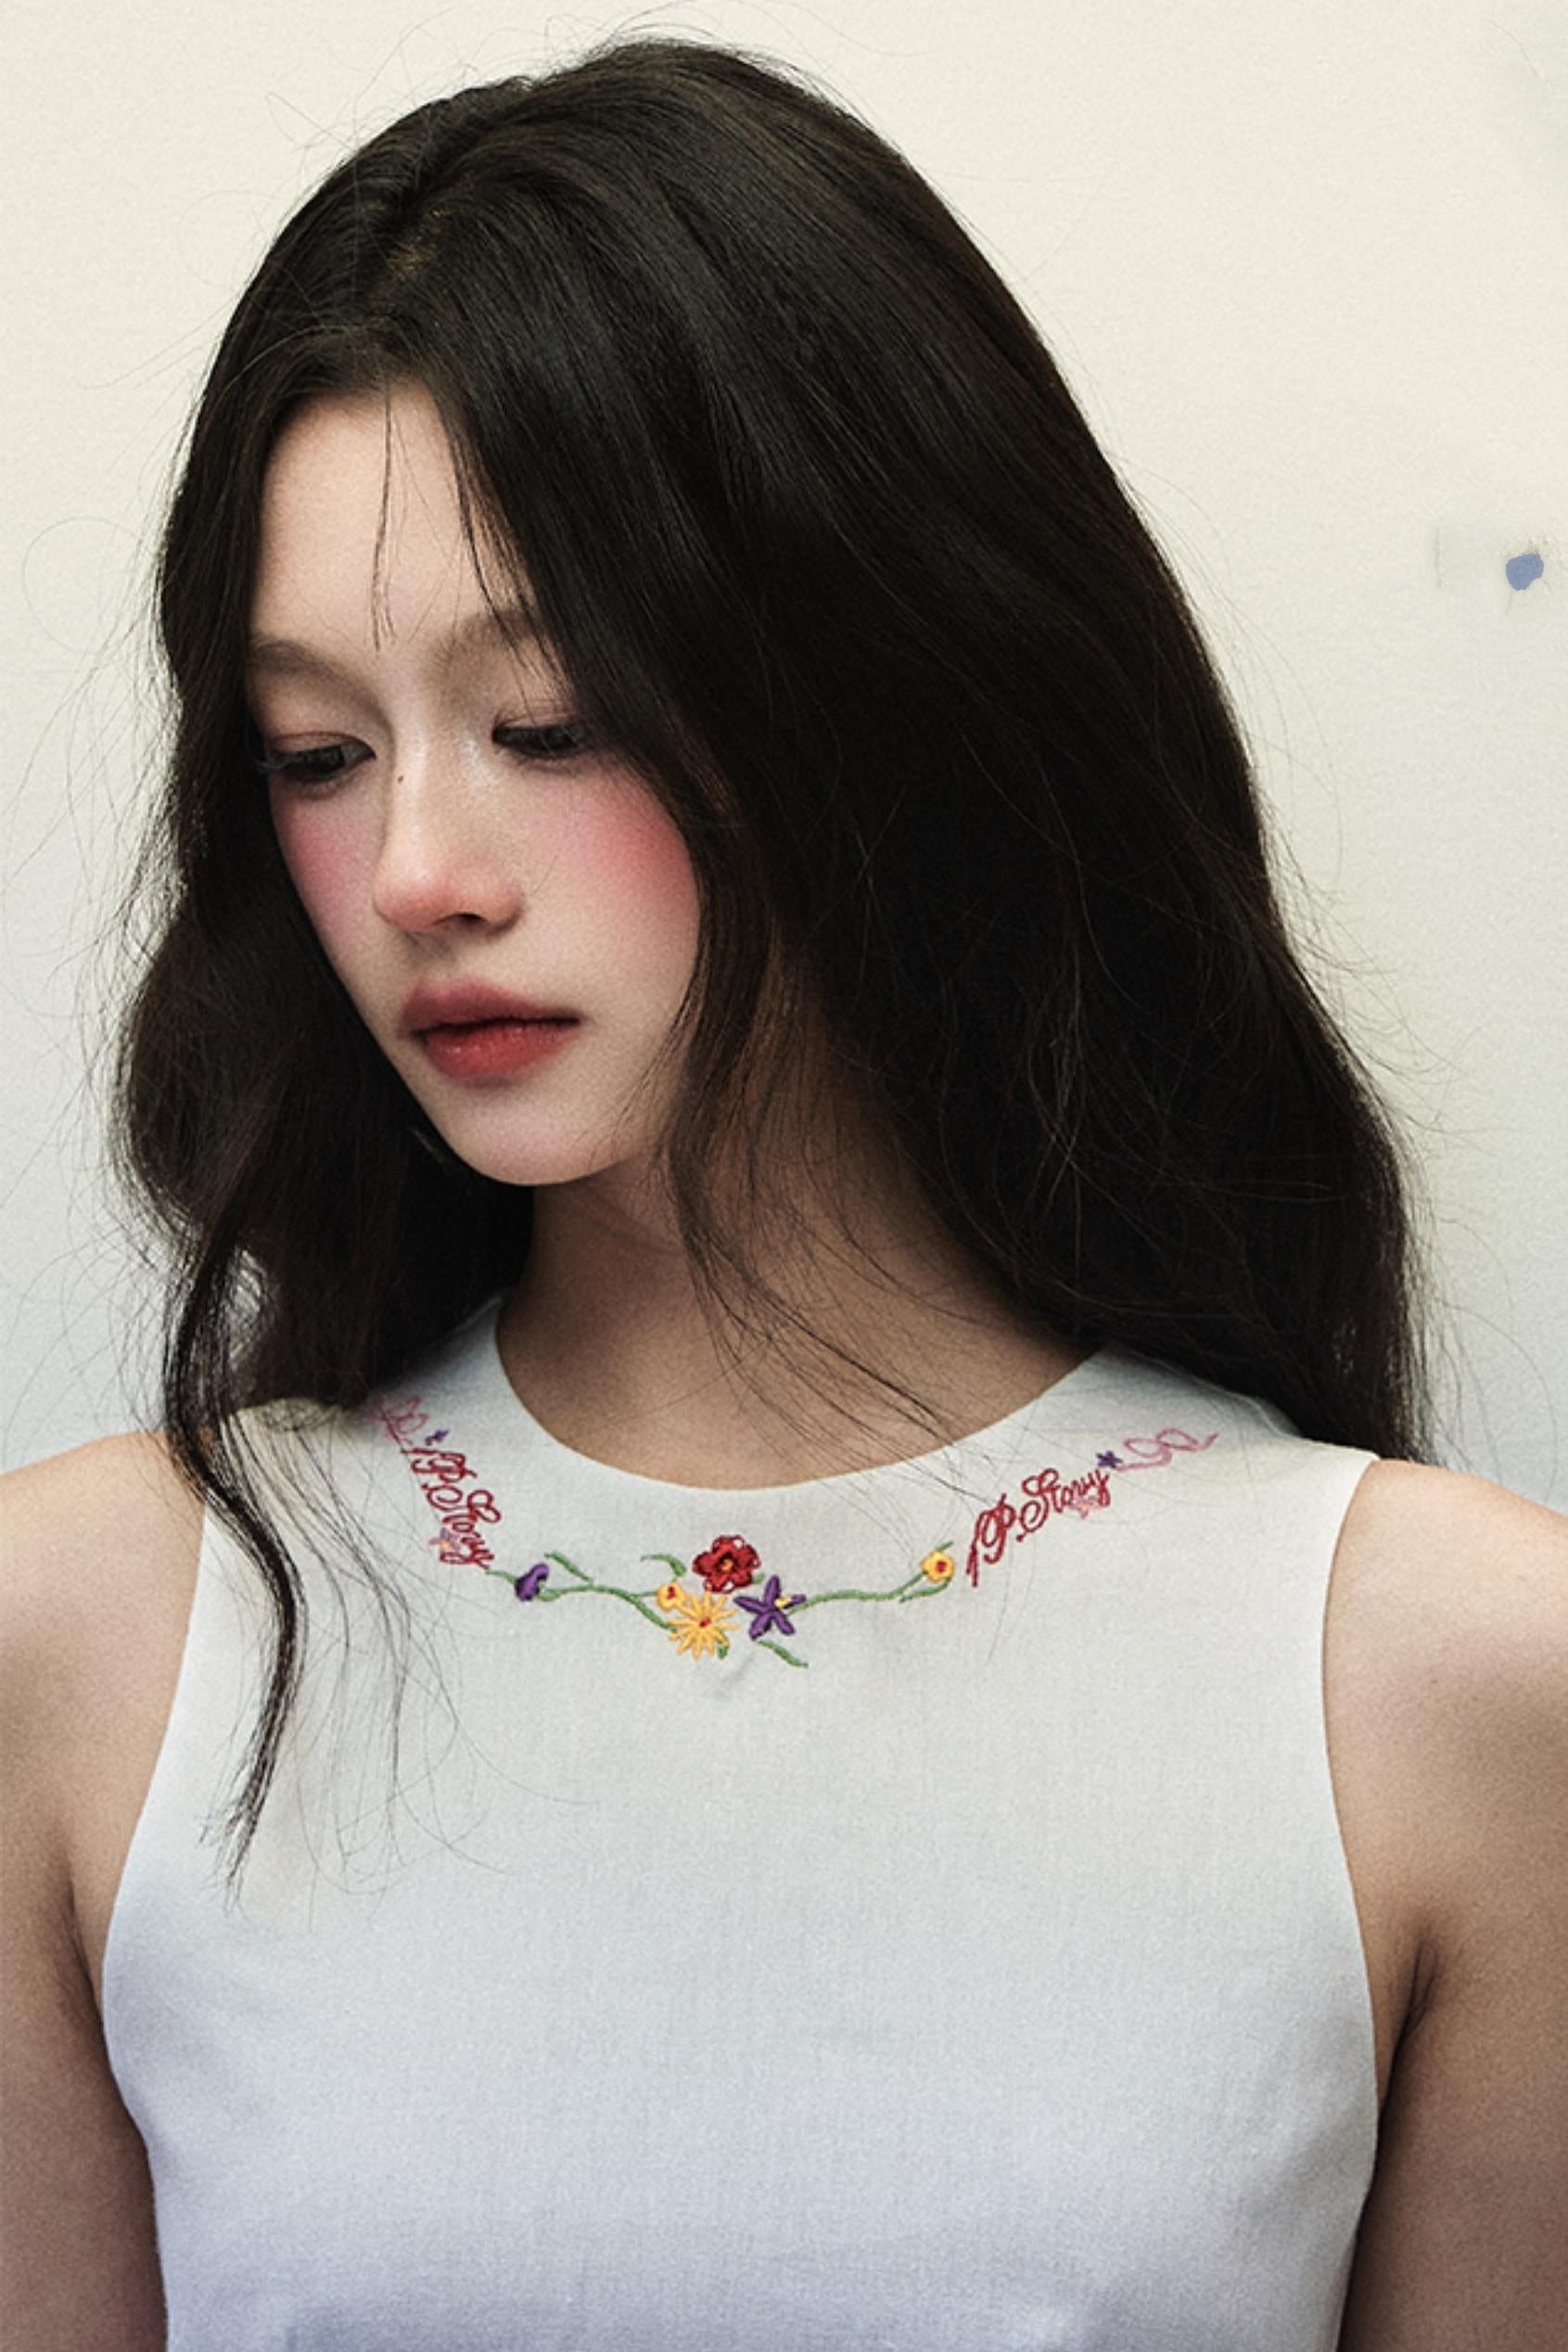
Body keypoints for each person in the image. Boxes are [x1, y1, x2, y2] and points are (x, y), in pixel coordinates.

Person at [2, 32, 1563, 2352]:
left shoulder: (1449, 1680)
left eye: (548, 720)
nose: (418, 868)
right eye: (318, 750)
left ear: (885, 691)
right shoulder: (91, 1640)